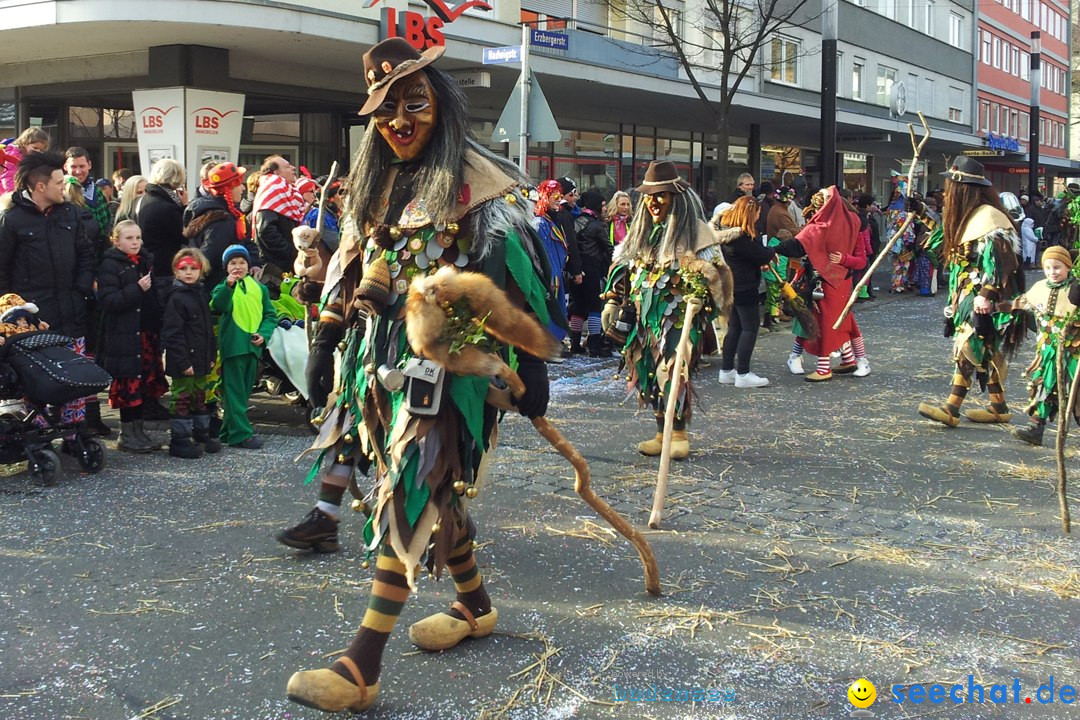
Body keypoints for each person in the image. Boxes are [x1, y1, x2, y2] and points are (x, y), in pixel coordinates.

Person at [283, 37, 559, 714]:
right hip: (374, 365)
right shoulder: (374, 185)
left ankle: (362, 664)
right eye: (385, 111)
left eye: (414, 106)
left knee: (411, 489)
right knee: (438, 498)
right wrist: (327, 337)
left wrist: (528, 362)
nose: (399, 122)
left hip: (450, 371)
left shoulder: (482, 191)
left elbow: (515, 288)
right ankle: (475, 605)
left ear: (442, 107)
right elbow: (352, 268)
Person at [604, 160, 733, 460]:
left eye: (660, 195)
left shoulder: (697, 234)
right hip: (644, 319)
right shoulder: (641, 234)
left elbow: (720, 276)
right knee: (647, 371)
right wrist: (613, 300)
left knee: (672, 371)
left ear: (676, 198)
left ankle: (678, 433)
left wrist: (704, 299)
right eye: (649, 196)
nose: (653, 202)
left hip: (677, 320)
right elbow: (624, 268)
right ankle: (661, 431)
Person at [915, 156, 1026, 428]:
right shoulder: (968, 217)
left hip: (986, 298)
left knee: (969, 347)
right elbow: (946, 239)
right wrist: (919, 212)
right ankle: (999, 407)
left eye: (952, 185)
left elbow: (1004, 260)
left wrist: (986, 294)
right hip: (966, 294)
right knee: (985, 350)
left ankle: (951, 409)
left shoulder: (990, 217)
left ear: (965, 188)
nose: (947, 191)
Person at [0, 151, 95, 429]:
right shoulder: (12, 220)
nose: (64, 187)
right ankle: (36, 437)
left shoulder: (73, 214)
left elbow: (86, 255)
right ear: (40, 186)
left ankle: (74, 435)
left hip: (72, 312)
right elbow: (1, 269)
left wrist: (81, 289)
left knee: (75, 377)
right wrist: (12, 310)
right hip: (33, 322)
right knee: (36, 382)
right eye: (57, 182)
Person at [779, 187, 871, 381]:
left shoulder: (851, 224)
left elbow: (862, 260)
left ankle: (824, 367)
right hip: (821, 281)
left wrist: (843, 259)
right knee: (830, 322)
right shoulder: (829, 224)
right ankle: (851, 359)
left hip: (836, 283)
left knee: (827, 324)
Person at [95, 219, 168, 452]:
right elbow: (108, 301)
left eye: (138, 237)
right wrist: (136, 289)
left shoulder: (145, 260)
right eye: (129, 238)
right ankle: (127, 434)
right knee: (129, 384)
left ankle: (139, 431)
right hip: (124, 335)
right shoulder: (110, 264)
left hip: (145, 332)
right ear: (115, 241)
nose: (135, 242)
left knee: (143, 382)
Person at [1009, 246, 1080, 446]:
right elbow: (1023, 305)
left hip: (1073, 352)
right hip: (1048, 350)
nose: (1052, 272)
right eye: (1048, 268)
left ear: (1068, 267)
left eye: (1057, 267)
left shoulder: (1075, 288)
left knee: (1075, 391)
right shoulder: (1040, 287)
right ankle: (1035, 428)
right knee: (1044, 386)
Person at [210, 244, 275, 450]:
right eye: (232, 263)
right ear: (226, 267)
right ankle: (241, 434)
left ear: (249, 265)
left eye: (241, 262)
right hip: (233, 347)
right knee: (234, 391)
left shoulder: (260, 289)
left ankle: (228, 431)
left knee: (242, 391)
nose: (237, 266)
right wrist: (228, 286)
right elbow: (217, 306)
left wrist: (263, 335)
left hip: (252, 348)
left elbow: (270, 315)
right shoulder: (223, 288)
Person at [161, 248, 220, 458]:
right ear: (176, 272)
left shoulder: (200, 293)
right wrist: (183, 361)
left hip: (202, 359)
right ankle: (180, 439)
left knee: (200, 396)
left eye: (192, 268)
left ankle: (200, 433)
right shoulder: (176, 298)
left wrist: (212, 355)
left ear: (201, 270)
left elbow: (206, 330)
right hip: (184, 361)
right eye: (183, 268)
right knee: (182, 398)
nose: (188, 272)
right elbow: (173, 334)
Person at [715, 196, 775, 388]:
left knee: (736, 328)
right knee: (750, 328)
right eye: (757, 212)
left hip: (732, 285)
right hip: (745, 285)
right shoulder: (742, 237)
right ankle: (743, 372)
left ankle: (726, 370)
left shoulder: (728, 235)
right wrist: (772, 252)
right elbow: (761, 254)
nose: (759, 215)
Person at [182, 162, 252, 293]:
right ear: (227, 189)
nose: (243, 188)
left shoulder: (218, 212)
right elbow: (210, 259)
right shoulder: (221, 222)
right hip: (217, 291)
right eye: (238, 184)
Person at [568, 190, 613, 356]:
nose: (606, 209)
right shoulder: (597, 225)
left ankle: (575, 343)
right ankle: (594, 345)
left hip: (576, 269)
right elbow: (609, 249)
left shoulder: (575, 220)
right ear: (596, 206)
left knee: (579, 306)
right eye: (603, 205)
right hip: (592, 269)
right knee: (594, 306)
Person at [134, 158, 189, 283]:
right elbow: (185, 235)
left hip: (145, 263)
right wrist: (185, 206)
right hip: (164, 267)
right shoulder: (168, 207)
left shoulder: (142, 200)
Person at [533, 179, 572, 344]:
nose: (558, 199)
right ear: (544, 198)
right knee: (549, 312)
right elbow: (543, 253)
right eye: (554, 195)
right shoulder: (540, 223)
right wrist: (551, 275)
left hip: (557, 275)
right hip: (550, 277)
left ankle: (554, 343)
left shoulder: (554, 220)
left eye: (560, 195)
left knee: (558, 311)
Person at [251, 154, 304, 276]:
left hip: (286, 262)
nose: (293, 168)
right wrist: (291, 252)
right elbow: (266, 231)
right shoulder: (272, 190)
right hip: (276, 266)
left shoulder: (285, 190)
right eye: (287, 166)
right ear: (277, 173)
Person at [64, 147, 111, 256]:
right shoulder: (59, 193)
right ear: (65, 167)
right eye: (73, 167)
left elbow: (106, 223)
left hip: (97, 254)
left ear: (89, 165)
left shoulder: (98, 192)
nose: (78, 171)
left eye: (82, 166)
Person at [0, 127, 49, 195]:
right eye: (35, 148)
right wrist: (12, 193)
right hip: (5, 193)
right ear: (24, 143)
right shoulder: (13, 155)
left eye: (41, 150)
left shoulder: (32, 158)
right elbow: (7, 176)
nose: (38, 152)